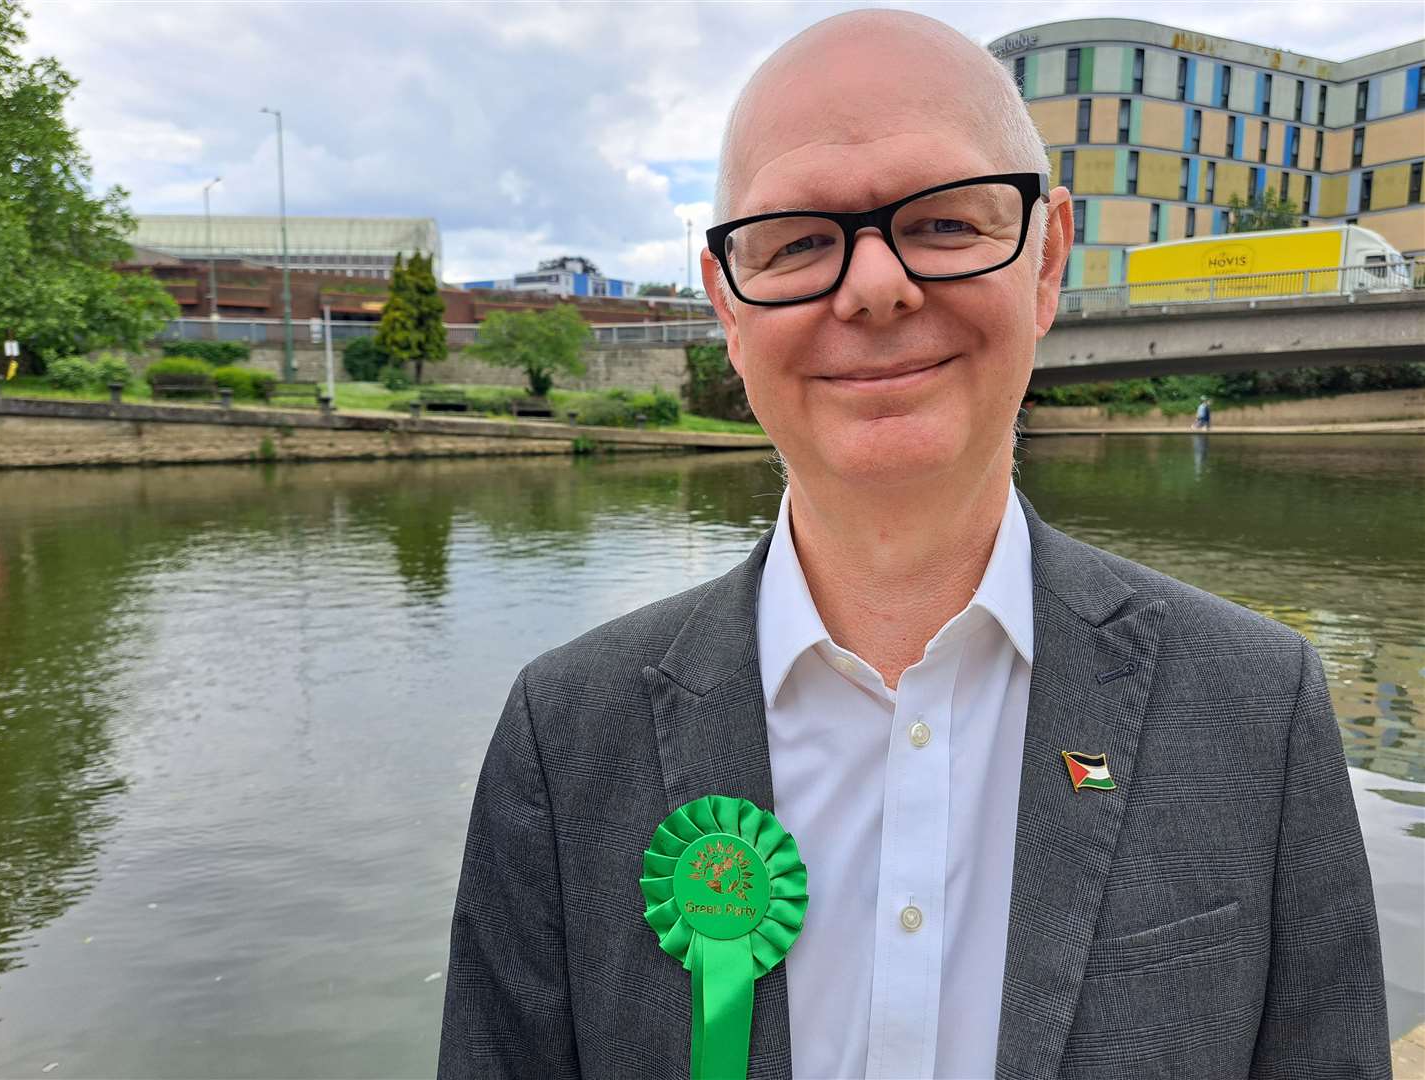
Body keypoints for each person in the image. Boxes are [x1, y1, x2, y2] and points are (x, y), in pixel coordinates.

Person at [438, 11, 1389, 1079]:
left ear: (1046, 262)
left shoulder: (1260, 712)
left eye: (943, 223)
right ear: (730, 314)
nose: (876, 285)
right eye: (798, 240)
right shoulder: (563, 741)